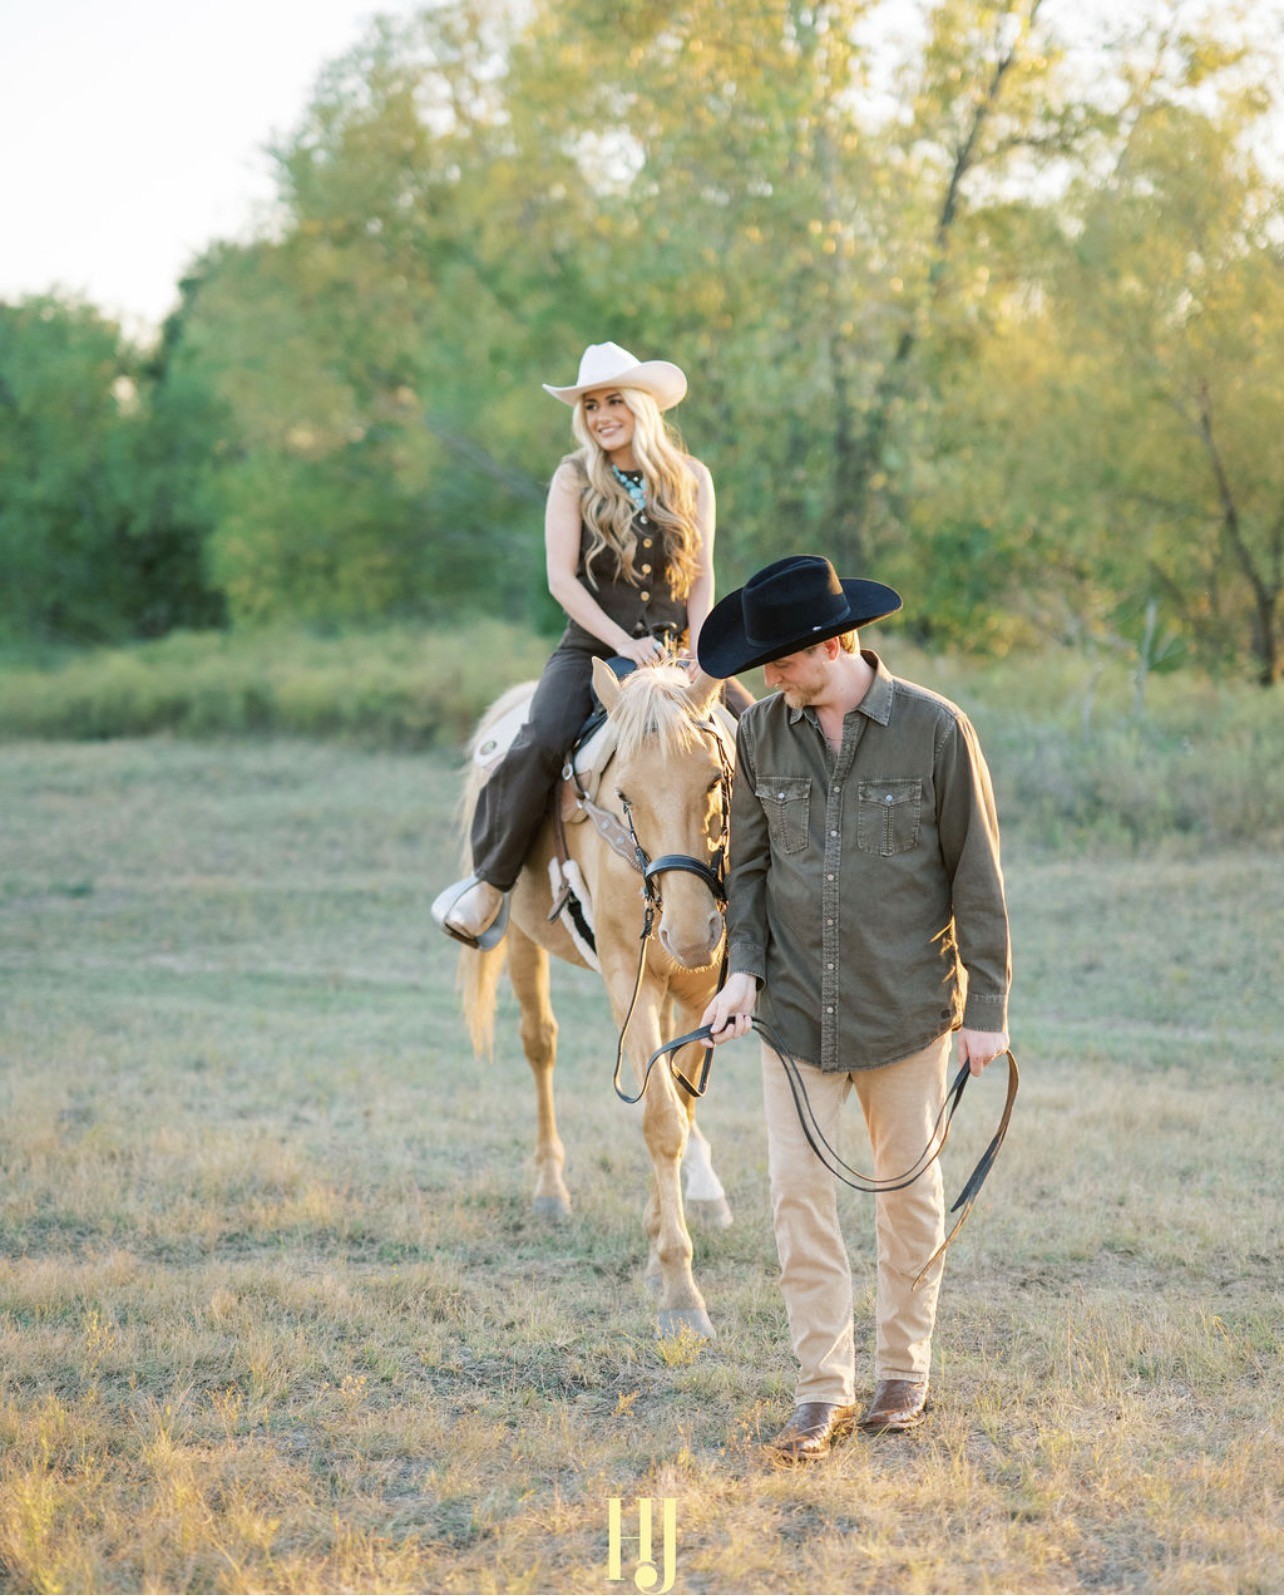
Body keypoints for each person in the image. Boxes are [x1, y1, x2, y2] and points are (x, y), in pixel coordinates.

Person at [696, 554, 1011, 1462]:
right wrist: (742, 972)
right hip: (792, 1010)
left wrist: (986, 1007)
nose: (766, 676)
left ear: (834, 645)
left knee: (908, 1194)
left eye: (782, 659)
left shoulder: (937, 730)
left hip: (908, 1008)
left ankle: (903, 1371)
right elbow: (747, 869)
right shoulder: (758, 734)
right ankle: (821, 1390)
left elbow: (977, 879)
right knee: (799, 1200)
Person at [432, 342, 716, 947]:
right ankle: (490, 884)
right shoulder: (574, 477)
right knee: (541, 739)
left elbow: (701, 574)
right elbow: (562, 579)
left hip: (678, 649)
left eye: (613, 400)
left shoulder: (692, 478)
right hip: (593, 648)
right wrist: (623, 642)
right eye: (590, 405)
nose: (601, 415)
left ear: (642, 405)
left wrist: (701, 647)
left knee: (758, 729)